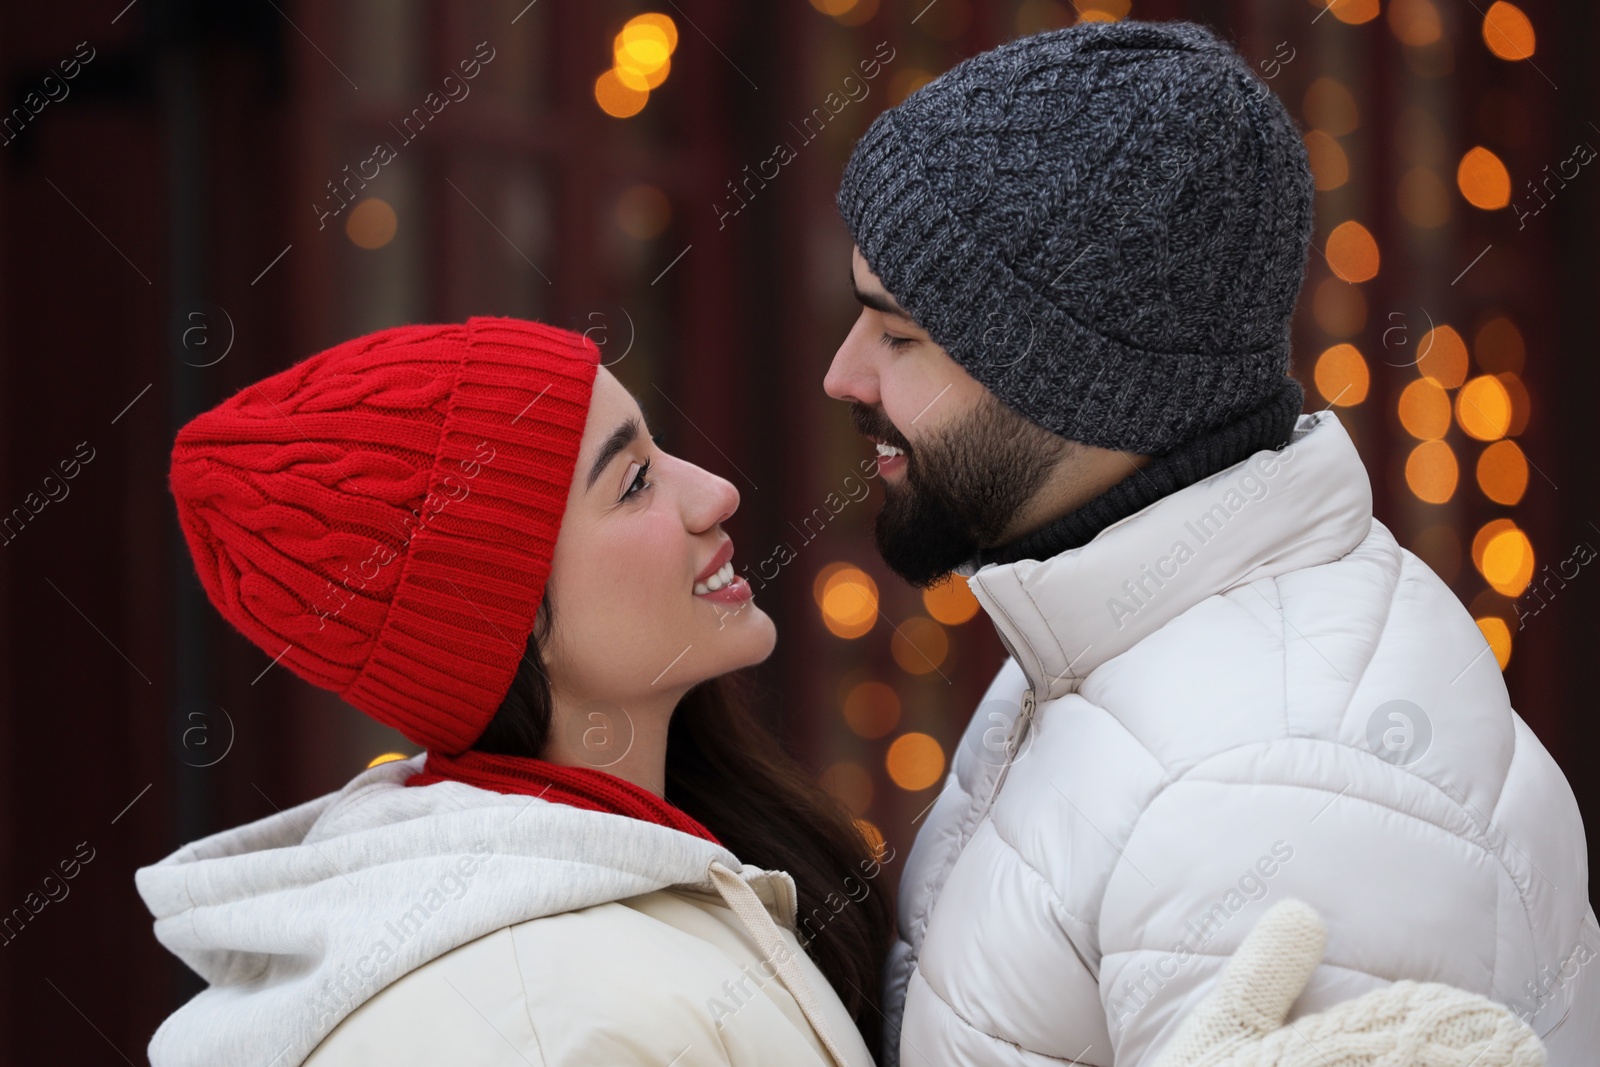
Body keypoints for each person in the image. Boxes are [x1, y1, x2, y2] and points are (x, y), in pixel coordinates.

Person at [825, 18, 1597, 1067]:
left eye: (898, 333)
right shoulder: (1111, 651)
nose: (844, 375)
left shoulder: (1277, 785)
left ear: (1077, 379)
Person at [140, 317, 890, 1067]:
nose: (716, 491)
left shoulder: (674, 871)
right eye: (634, 482)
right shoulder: (564, 1026)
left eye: (656, 449)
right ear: (500, 620)